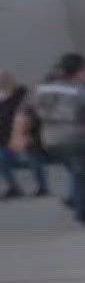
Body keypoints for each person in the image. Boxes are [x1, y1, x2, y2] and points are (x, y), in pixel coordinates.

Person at [11, 53, 85, 225]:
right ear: (79, 72)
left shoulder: (38, 91)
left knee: (83, 174)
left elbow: (22, 115)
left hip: (52, 141)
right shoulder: (84, 93)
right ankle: (84, 212)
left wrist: (18, 137)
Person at [0, 70, 51, 199]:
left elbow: (31, 113)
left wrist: (28, 132)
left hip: (25, 132)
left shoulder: (22, 94)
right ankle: (14, 188)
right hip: (5, 136)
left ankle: (42, 188)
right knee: (3, 161)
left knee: (34, 160)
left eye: (3, 78)